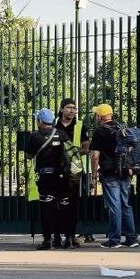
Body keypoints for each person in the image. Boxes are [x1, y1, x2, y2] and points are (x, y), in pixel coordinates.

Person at [88, 103, 138, 248]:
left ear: (100, 116)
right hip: (125, 172)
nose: (95, 117)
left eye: (96, 114)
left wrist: (93, 174)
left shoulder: (100, 132)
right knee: (125, 204)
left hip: (109, 173)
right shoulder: (121, 129)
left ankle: (114, 239)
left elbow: (95, 156)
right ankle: (131, 238)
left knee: (114, 206)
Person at [24, 108, 75, 250]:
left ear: (40, 121)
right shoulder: (61, 134)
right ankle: (69, 239)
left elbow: (28, 155)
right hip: (63, 177)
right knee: (65, 207)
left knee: (47, 208)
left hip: (46, 177)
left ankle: (48, 240)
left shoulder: (35, 136)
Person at [54, 98, 87, 247]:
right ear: (61, 109)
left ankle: (70, 236)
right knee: (55, 204)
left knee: (72, 205)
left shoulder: (80, 126)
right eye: (69, 107)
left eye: (74, 108)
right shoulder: (54, 125)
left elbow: (86, 147)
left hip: (73, 170)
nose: (72, 111)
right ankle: (55, 236)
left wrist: (72, 151)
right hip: (55, 168)